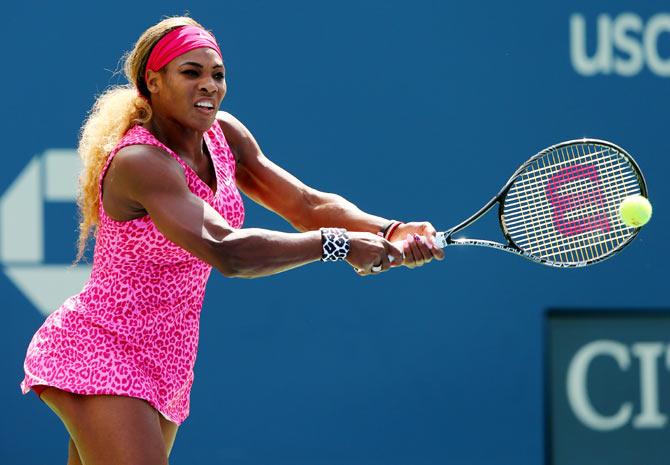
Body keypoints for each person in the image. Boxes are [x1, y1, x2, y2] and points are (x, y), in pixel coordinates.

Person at [20, 16, 444, 465]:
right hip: (101, 348)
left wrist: (390, 230)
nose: (209, 86)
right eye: (191, 73)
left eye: (217, 74)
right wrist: (338, 244)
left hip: (166, 360)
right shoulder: (141, 162)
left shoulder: (224, 135)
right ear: (154, 81)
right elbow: (228, 250)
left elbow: (305, 204)